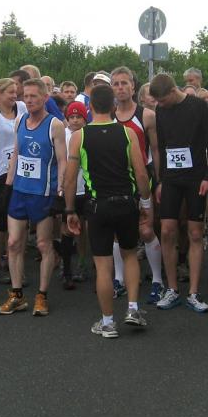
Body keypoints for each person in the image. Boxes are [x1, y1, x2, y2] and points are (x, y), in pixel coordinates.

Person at [64, 84, 152, 337]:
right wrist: (145, 203)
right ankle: (133, 309)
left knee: (103, 265)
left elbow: (69, 179)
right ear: (113, 106)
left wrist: (69, 211)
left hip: (97, 205)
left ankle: (107, 322)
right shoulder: (128, 133)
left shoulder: (79, 136)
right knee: (130, 255)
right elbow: (141, 174)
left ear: (90, 107)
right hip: (126, 203)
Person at [0, 78, 67, 316]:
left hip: (43, 193)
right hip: (19, 191)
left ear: (45, 97)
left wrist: (60, 192)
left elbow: (62, 161)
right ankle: (17, 295)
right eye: (25, 96)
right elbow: (17, 154)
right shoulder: (20, 121)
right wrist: (7, 187)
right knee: (13, 243)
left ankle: (41, 295)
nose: (28, 100)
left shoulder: (55, 125)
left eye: (33, 96)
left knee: (43, 244)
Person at [151, 72, 208, 313]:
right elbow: (162, 146)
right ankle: (172, 289)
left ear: (172, 91)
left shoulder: (198, 107)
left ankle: (194, 292)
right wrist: (160, 180)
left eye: (162, 100)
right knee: (167, 231)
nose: (160, 105)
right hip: (171, 178)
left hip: (196, 179)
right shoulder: (161, 110)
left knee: (195, 233)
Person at [110, 67, 165, 303]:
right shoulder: (107, 115)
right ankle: (119, 279)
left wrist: (160, 181)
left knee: (146, 230)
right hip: (116, 182)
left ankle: (157, 280)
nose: (120, 88)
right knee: (117, 233)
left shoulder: (147, 116)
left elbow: (156, 150)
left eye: (125, 83)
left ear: (133, 86)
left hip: (143, 180)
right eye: (116, 84)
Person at [0, 78, 27, 283]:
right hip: (3, 171)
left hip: (24, 169)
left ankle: (15, 263)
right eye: (10, 92)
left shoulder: (22, 108)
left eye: (15, 91)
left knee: (21, 219)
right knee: (2, 219)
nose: (14, 95)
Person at [59, 100, 88, 289]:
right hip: (67, 190)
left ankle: (82, 263)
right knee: (67, 229)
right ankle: (66, 267)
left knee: (83, 229)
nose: (75, 120)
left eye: (79, 117)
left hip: (85, 189)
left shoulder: (89, 134)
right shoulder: (63, 135)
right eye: (72, 117)